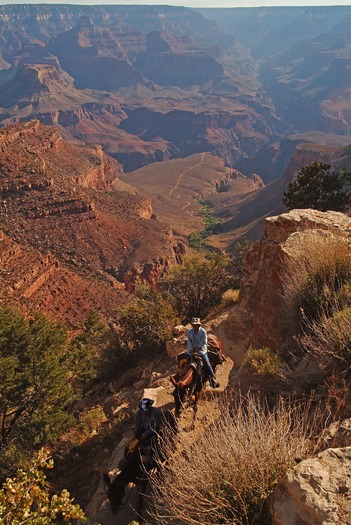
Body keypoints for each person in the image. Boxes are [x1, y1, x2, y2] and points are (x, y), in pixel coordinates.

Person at [186, 317, 220, 388]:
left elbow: (203, 342)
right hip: (191, 351)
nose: (194, 326)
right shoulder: (189, 332)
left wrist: (197, 350)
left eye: (196, 325)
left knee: (207, 364)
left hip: (201, 351)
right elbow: (189, 342)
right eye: (193, 325)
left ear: (198, 325)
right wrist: (192, 351)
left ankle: (212, 378)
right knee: (183, 361)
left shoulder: (203, 332)